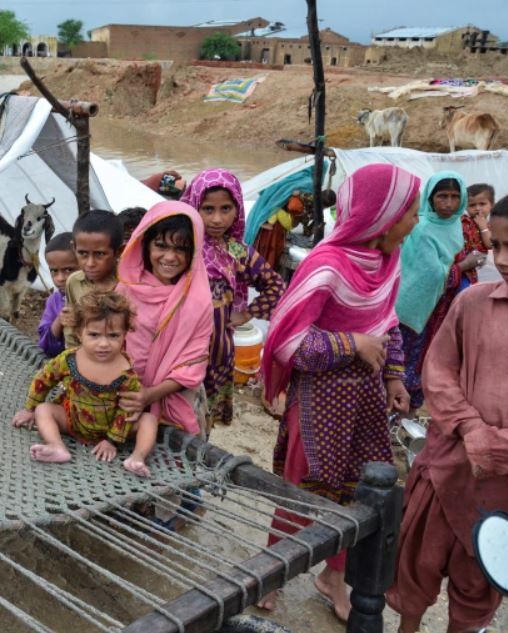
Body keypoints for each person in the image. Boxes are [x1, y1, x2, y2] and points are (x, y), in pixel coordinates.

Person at [256, 164, 422, 620]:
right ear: (383, 218)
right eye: (411, 212)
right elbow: (288, 341)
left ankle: (334, 577)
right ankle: (274, 571)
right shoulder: (326, 266)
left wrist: (393, 376)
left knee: (357, 491)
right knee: (303, 487)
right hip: (319, 401)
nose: (416, 221)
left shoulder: (388, 262)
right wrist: (353, 344)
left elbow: (387, 322)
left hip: (365, 401)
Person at [386, 187, 508, 633]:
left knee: (479, 582)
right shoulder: (473, 303)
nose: (503, 260)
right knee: (416, 564)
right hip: (448, 464)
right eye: (497, 246)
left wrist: (502, 445)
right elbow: (439, 370)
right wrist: (470, 428)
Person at [179, 168, 285, 433]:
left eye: (226, 209)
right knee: (176, 411)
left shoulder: (236, 250)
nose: (217, 219)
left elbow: (275, 285)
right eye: (208, 209)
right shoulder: (181, 247)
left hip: (218, 352)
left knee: (203, 419)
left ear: (237, 209)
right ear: (193, 206)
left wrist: (247, 313)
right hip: (179, 347)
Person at [115, 201, 213, 477]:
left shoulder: (198, 301)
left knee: (174, 471)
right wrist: (128, 389)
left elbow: (191, 366)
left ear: (194, 252)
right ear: (145, 245)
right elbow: (113, 342)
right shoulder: (127, 288)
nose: (169, 257)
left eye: (181, 248)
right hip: (126, 394)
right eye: (161, 246)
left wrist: (149, 395)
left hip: (173, 398)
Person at [12, 292, 143, 466]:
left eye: (113, 335)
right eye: (94, 335)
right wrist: (30, 409)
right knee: (42, 410)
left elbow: (127, 410)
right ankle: (56, 446)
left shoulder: (126, 372)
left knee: (148, 421)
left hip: (110, 427)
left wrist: (112, 440)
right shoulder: (69, 359)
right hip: (73, 420)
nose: (104, 344)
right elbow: (43, 379)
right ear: (80, 333)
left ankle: (138, 457)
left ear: (124, 334)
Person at [397, 172, 484, 410]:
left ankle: (411, 412)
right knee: (407, 357)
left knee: (430, 357)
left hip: (442, 307)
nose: (448, 203)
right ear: (430, 198)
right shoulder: (423, 228)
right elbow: (431, 275)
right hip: (416, 307)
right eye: (442, 196)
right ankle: (395, 410)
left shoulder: (457, 225)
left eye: (455, 197)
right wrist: (463, 266)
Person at [62, 210, 124, 350]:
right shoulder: (74, 282)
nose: (90, 263)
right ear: (74, 248)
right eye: (83, 253)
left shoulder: (127, 286)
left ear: (118, 252)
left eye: (100, 254)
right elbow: (71, 328)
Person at [37, 232, 79, 358]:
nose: (60, 278)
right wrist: (60, 320)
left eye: (69, 270)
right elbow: (45, 346)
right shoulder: (54, 301)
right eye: (54, 271)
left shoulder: (98, 296)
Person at [462, 183, 495, 284]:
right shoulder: (463, 221)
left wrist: (483, 227)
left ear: (492, 205)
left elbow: (490, 244)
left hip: (479, 264)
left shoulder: (492, 225)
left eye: (482, 204)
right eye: (472, 205)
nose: (477, 208)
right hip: (462, 261)